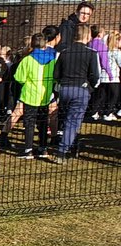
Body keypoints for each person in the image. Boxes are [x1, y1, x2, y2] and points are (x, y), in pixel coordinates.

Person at [52, 23, 101, 164]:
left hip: (65, 89)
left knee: (66, 119)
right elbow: (95, 76)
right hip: (80, 89)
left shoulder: (64, 52)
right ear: (88, 36)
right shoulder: (91, 53)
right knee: (73, 122)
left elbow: (56, 74)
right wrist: (89, 88)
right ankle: (62, 151)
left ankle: (68, 144)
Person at [11, 33, 56, 160]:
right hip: (45, 95)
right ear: (45, 43)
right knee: (42, 123)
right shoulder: (52, 60)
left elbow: (19, 78)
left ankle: (28, 149)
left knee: (29, 123)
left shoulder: (27, 60)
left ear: (32, 44)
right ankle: (43, 148)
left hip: (30, 95)